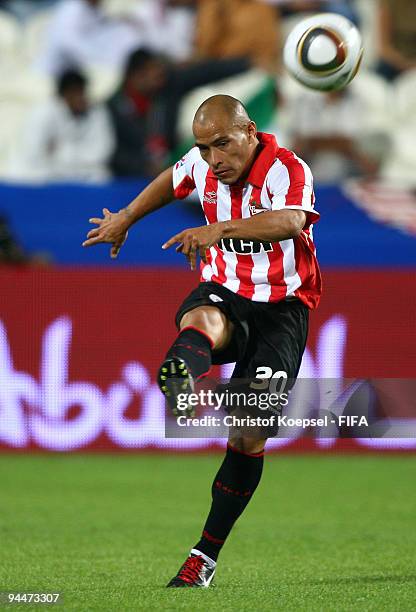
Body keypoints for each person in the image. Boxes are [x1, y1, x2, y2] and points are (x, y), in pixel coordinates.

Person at [82, 94, 321, 587]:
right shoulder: (203, 162)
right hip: (226, 291)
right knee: (203, 318)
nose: (214, 159)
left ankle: (203, 559)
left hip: (282, 308)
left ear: (250, 130)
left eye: (223, 145)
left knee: (248, 434)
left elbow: (292, 220)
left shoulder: (286, 168)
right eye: (204, 148)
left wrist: (218, 228)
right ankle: (185, 379)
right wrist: (126, 217)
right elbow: (172, 180)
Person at [107, 48, 251, 178]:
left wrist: (247, 64)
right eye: (154, 75)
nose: (160, 80)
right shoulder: (112, 109)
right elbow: (112, 153)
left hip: (173, 168)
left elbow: (206, 72)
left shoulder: (168, 88)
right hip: (132, 179)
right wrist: (144, 167)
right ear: (136, 77)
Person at [12, 69, 114, 182]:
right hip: (41, 177)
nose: (80, 98)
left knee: (101, 177)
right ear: (64, 94)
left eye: (82, 92)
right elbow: (34, 153)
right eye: (75, 92)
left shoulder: (96, 112)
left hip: (82, 174)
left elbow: (102, 151)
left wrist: (62, 151)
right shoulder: (43, 113)